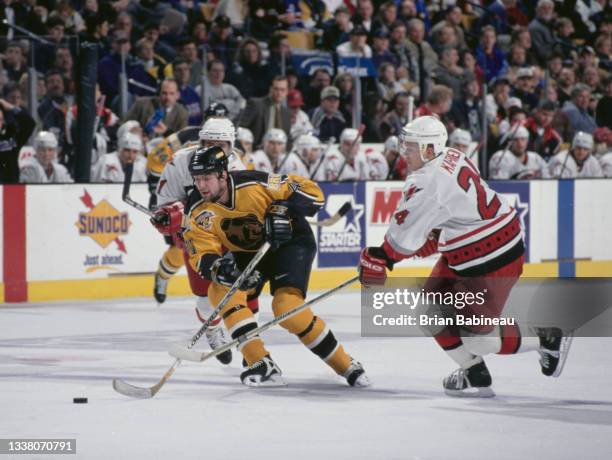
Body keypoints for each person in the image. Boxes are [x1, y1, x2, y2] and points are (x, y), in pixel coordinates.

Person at [358, 116, 572, 398]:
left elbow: (402, 239)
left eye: (411, 146)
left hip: (491, 258)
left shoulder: (428, 181)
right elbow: (453, 208)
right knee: (429, 311)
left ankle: (547, 336)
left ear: (430, 149)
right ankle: (474, 372)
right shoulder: (451, 155)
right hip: (472, 247)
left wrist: (382, 256)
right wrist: (422, 240)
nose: (404, 151)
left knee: (480, 341)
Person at [181, 145, 370, 387]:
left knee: (286, 307)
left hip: (291, 243)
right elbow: (200, 250)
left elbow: (313, 193)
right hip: (248, 253)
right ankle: (261, 363)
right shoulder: (196, 207)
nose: (201, 186)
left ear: (222, 174)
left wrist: (285, 207)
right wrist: (217, 267)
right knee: (220, 291)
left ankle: (345, 364)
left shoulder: (256, 183)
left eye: (206, 178)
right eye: (197, 179)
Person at [151, 116, 249, 365]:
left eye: (222, 144)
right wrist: (169, 216)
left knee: (243, 290)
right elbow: (163, 207)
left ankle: (252, 346)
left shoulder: (238, 168)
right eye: (208, 143)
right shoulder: (179, 163)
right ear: (200, 141)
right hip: (195, 236)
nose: (215, 149)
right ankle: (213, 328)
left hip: (227, 233)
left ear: (231, 146)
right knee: (205, 299)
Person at [125, 78, 189, 138]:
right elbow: (124, 125)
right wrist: (139, 133)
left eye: (171, 93)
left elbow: (181, 142)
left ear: (177, 95)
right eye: (164, 93)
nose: (167, 97)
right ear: (159, 93)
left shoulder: (182, 113)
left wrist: (166, 132)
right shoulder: (142, 104)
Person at [239, 76, 291, 149]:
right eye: (276, 89)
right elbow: (241, 127)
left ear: (287, 92)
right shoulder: (256, 104)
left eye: (282, 90)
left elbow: (287, 138)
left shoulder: (287, 113)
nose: (279, 93)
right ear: (270, 89)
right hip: (256, 150)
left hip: (278, 153)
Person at [0, 96, 36, 183]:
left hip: (12, 187)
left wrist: (11, 107)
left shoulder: (10, 136)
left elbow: (30, 123)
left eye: (0, 120)